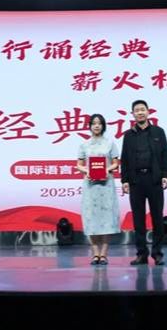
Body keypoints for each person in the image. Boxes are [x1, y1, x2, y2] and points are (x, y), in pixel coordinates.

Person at [120, 100, 167, 266]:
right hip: (136, 181)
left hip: (154, 179)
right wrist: (125, 180)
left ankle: (157, 253)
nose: (140, 112)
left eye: (143, 109)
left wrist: (166, 175)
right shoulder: (128, 135)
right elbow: (124, 160)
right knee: (138, 220)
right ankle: (141, 254)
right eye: (137, 110)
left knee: (157, 218)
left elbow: (165, 155)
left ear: (148, 112)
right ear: (133, 114)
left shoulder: (158, 132)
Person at [76, 113, 121, 265]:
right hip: (90, 186)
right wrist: (87, 171)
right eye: (94, 123)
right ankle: (95, 253)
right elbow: (79, 165)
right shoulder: (84, 145)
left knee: (107, 218)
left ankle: (104, 254)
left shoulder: (110, 144)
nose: (96, 126)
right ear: (90, 126)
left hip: (106, 185)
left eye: (99, 123)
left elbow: (116, 163)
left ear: (103, 126)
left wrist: (106, 170)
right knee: (91, 218)